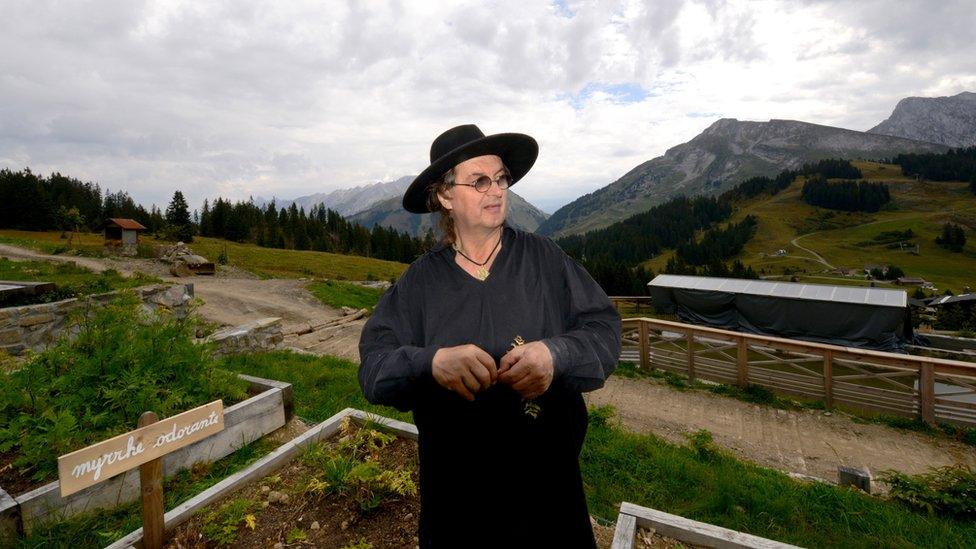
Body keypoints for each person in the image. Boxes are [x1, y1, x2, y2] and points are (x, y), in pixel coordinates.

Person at [359, 124, 621, 548]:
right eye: (479, 181)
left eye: (501, 179)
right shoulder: (420, 283)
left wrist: (555, 356)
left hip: (548, 491)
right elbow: (374, 369)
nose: (496, 191)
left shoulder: (544, 259)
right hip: (459, 502)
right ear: (445, 196)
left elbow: (604, 330)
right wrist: (431, 363)